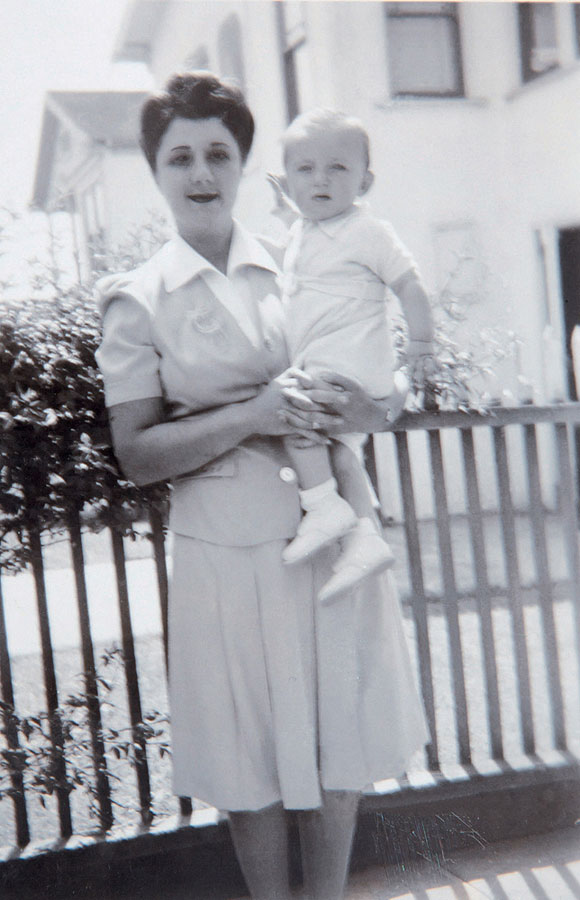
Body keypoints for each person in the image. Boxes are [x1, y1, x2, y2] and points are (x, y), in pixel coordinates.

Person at [95, 72, 429, 900]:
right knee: (253, 768)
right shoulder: (138, 299)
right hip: (230, 557)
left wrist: (373, 403)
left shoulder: (303, 258)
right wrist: (253, 415)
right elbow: (136, 453)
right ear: (156, 171)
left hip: (335, 543)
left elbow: (375, 391)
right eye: (180, 158)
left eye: (219, 153)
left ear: (246, 166)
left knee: (338, 752)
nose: (201, 173)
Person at [270, 108, 434, 604]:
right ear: (286, 183)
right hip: (332, 363)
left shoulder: (367, 230)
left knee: (296, 419)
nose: (321, 180)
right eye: (305, 169)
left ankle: (323, 507)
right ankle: (364, 536)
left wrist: (422, 344)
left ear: (365, 182)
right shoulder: (299, 234)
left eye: (337, 168)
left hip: (352, 369)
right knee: (340, 450)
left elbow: (410, 285)